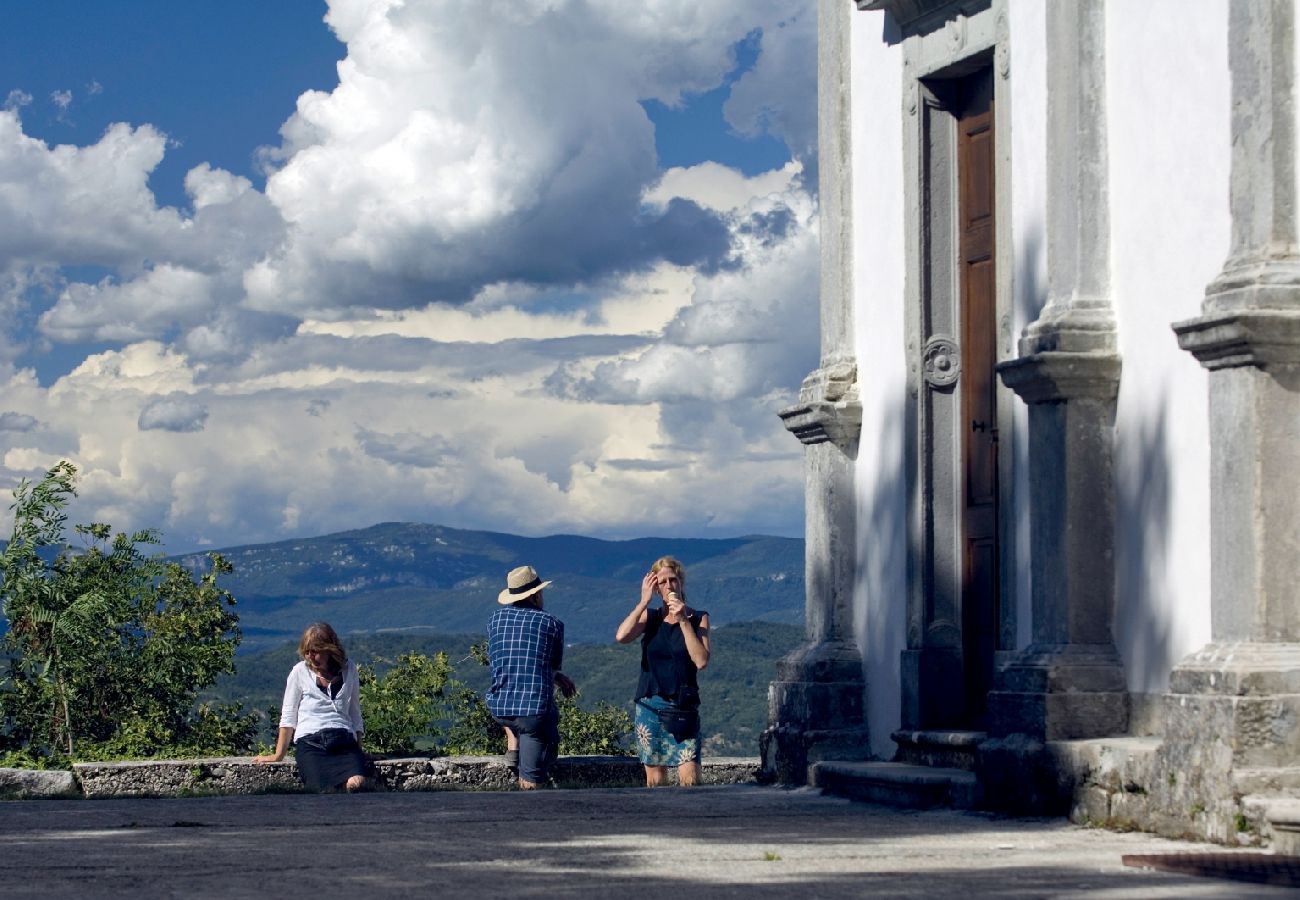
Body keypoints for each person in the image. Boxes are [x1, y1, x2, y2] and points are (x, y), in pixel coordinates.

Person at [614, 555, 710, 787]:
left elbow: (701, 660)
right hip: (650, 705)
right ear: (656, 587)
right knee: (655, 779)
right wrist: (642, 602)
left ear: (681, 582)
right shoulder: (652, 618)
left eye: (672, 580)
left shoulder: (698, 618)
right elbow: (622, 636)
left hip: (683, 707)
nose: (668, 586)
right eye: (662, 582)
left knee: (690, 777)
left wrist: (683, 621)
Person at [486, 565, 576, 789]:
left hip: (499, 707)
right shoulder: (551, 624)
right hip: (533, 711)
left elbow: (508, 659)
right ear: (536, 595)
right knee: (532, 776)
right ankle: (530, 780)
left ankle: (513, 744)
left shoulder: (494, 620)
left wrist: (555, 676)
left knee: (516, 702)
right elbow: (552, 664)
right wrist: (558, 678)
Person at [255, 622, 370, 792]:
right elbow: (288, 716)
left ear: (329, 650)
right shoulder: (299, 672)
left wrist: (360, 751)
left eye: (315, 652)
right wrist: (278, 755)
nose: (310, 657)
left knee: (357, 783)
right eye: (306, 652)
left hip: (343, 741)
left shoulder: (349, 669)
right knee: (320, 788)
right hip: (311, 743)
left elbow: (354, 712)